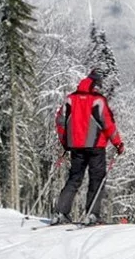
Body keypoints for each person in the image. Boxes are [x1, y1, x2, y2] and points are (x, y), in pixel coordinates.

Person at [51, 69, 125, 225]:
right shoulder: (98, 100)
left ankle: (60, 212)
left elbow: (60, 122)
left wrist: (65, 141)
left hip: (75, 146)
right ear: (95, 85)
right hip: (95, 146)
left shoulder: (70, 99)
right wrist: (118, 143)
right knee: (96, 180)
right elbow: (108, 124)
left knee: (74, 178)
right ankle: (92, 215)